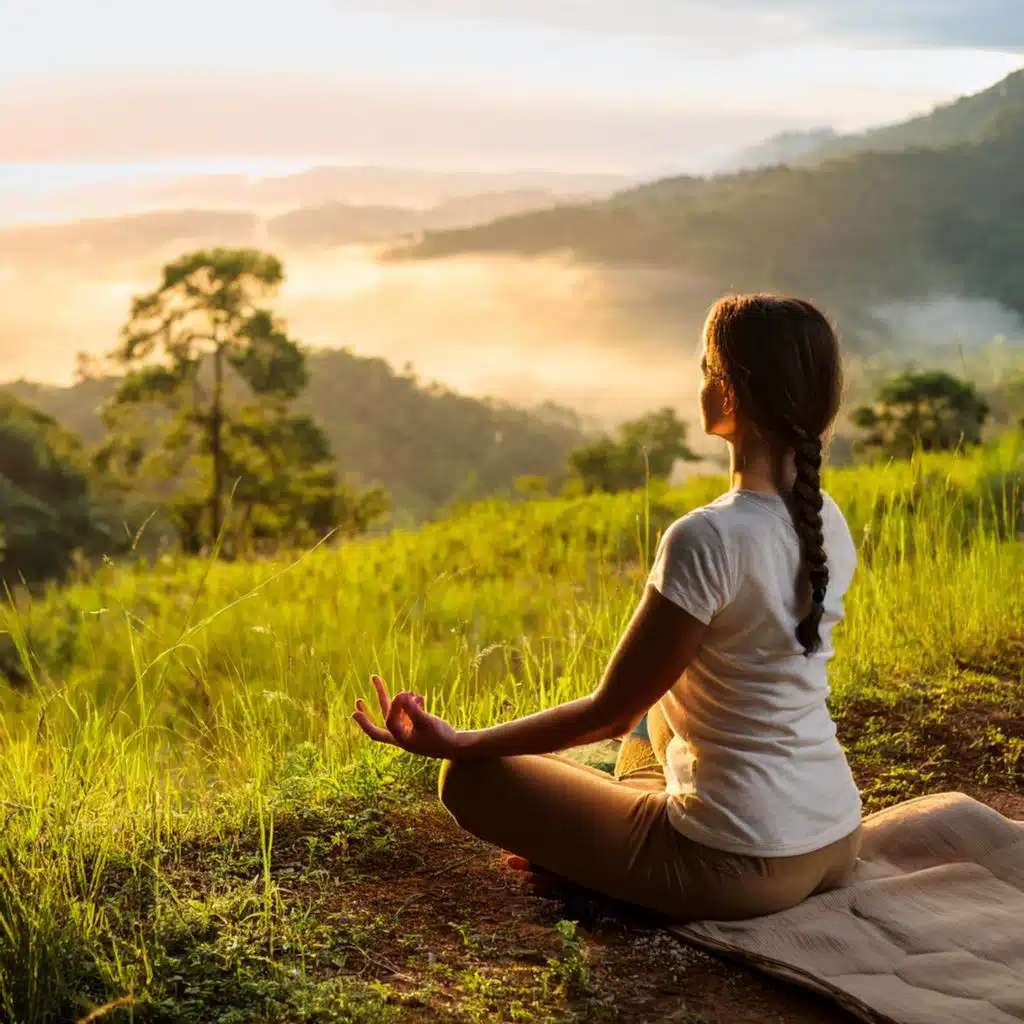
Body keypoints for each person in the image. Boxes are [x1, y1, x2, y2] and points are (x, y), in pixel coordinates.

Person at [353, 293, 863, 923]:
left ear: (728, 394)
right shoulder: (826, 521)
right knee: (659, 723)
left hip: (738, 865)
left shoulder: (706, 536)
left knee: (471, 779)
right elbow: (641, 712)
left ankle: (600, 869)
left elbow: (607, 714)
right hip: (837, 836)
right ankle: (606, 847)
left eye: (707, 369)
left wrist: (460, 741)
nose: (701, 382)